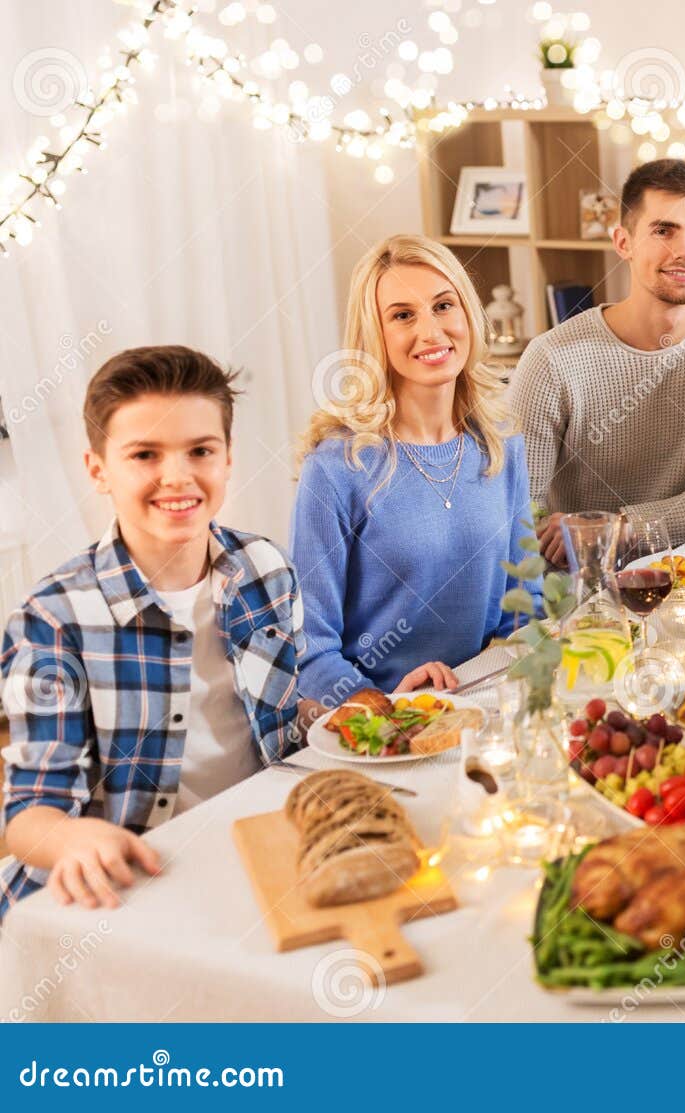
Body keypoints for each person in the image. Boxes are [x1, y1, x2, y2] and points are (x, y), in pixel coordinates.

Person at [1, 347, 304, 920]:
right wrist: (70, 840)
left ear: (228, 457)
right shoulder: (53, 618)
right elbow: (31, 812)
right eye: (144, 454)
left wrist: (353, 713)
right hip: (120, 884)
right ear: (98, 469)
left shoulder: (267, 569)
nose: (178, 476)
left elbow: (281, 726)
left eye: (200, 451)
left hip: (253, 854)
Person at [293, 234, 532, 705]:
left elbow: (527, 604)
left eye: (444, 306)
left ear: (467, 314)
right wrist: (386, 708)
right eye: (403, 315)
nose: (431, 331)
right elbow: (309, 648)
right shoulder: (338, 466)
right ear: (374, 335)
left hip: (482, 704)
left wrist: (487, 689)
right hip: (378, 720)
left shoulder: (501, 446)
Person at [510, 159, 685, 559]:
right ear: (623, 243)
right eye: (663, 230)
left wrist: (624, 525)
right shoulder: (552, 358)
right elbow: (517, 518)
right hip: (594, 587)